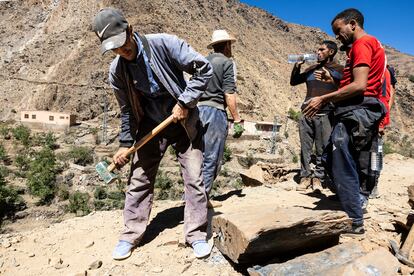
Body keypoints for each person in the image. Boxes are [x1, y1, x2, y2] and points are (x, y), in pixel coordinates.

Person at [92, 8, 213, 260]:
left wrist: (185, 102)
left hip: (183, 121)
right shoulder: (117, 71)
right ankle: (130, 235)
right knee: (139, 179)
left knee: (194, 178)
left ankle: (196, 235)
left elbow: (203, 69)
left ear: (130, 30)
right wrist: (125, 143)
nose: (121, 51)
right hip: (149, 126)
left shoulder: (165, 44)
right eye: (113, 48)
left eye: (122, 44)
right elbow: (126, 111)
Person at [303, 8, 387, 234]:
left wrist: (322, 98)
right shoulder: (372, 44)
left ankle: (354, 219)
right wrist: (334, 83)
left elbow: (360, 86)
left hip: (358, 110)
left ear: (352, 24)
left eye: (338, 31)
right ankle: (351, 199)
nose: (337, 36)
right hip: (358, 109)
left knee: (347, 159)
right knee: (330, 157)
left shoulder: (362, 44)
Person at [290, 41, 343, 191]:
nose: (318, 52)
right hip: (306, 114)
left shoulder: (340, 70)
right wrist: (297, 65)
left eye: (322, 50)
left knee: (322, 148)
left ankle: (319, 178)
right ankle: (305, 177)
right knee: (305, 147)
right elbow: (293, 82)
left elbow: (343, 89)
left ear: (331, 52)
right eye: (317, 50)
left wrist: (331, 79)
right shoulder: (311, 69)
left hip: (325, 114)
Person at [198, 30, 243, 197]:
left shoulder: (202, 61)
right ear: (226, 45)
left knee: (198, 157)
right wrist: (237, 119)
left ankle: (193, 196)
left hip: (198, 111)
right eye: (230, 45)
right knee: (212, 157)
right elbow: (229, 93)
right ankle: (201, 200)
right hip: (215, 112)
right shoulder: (227, 63)